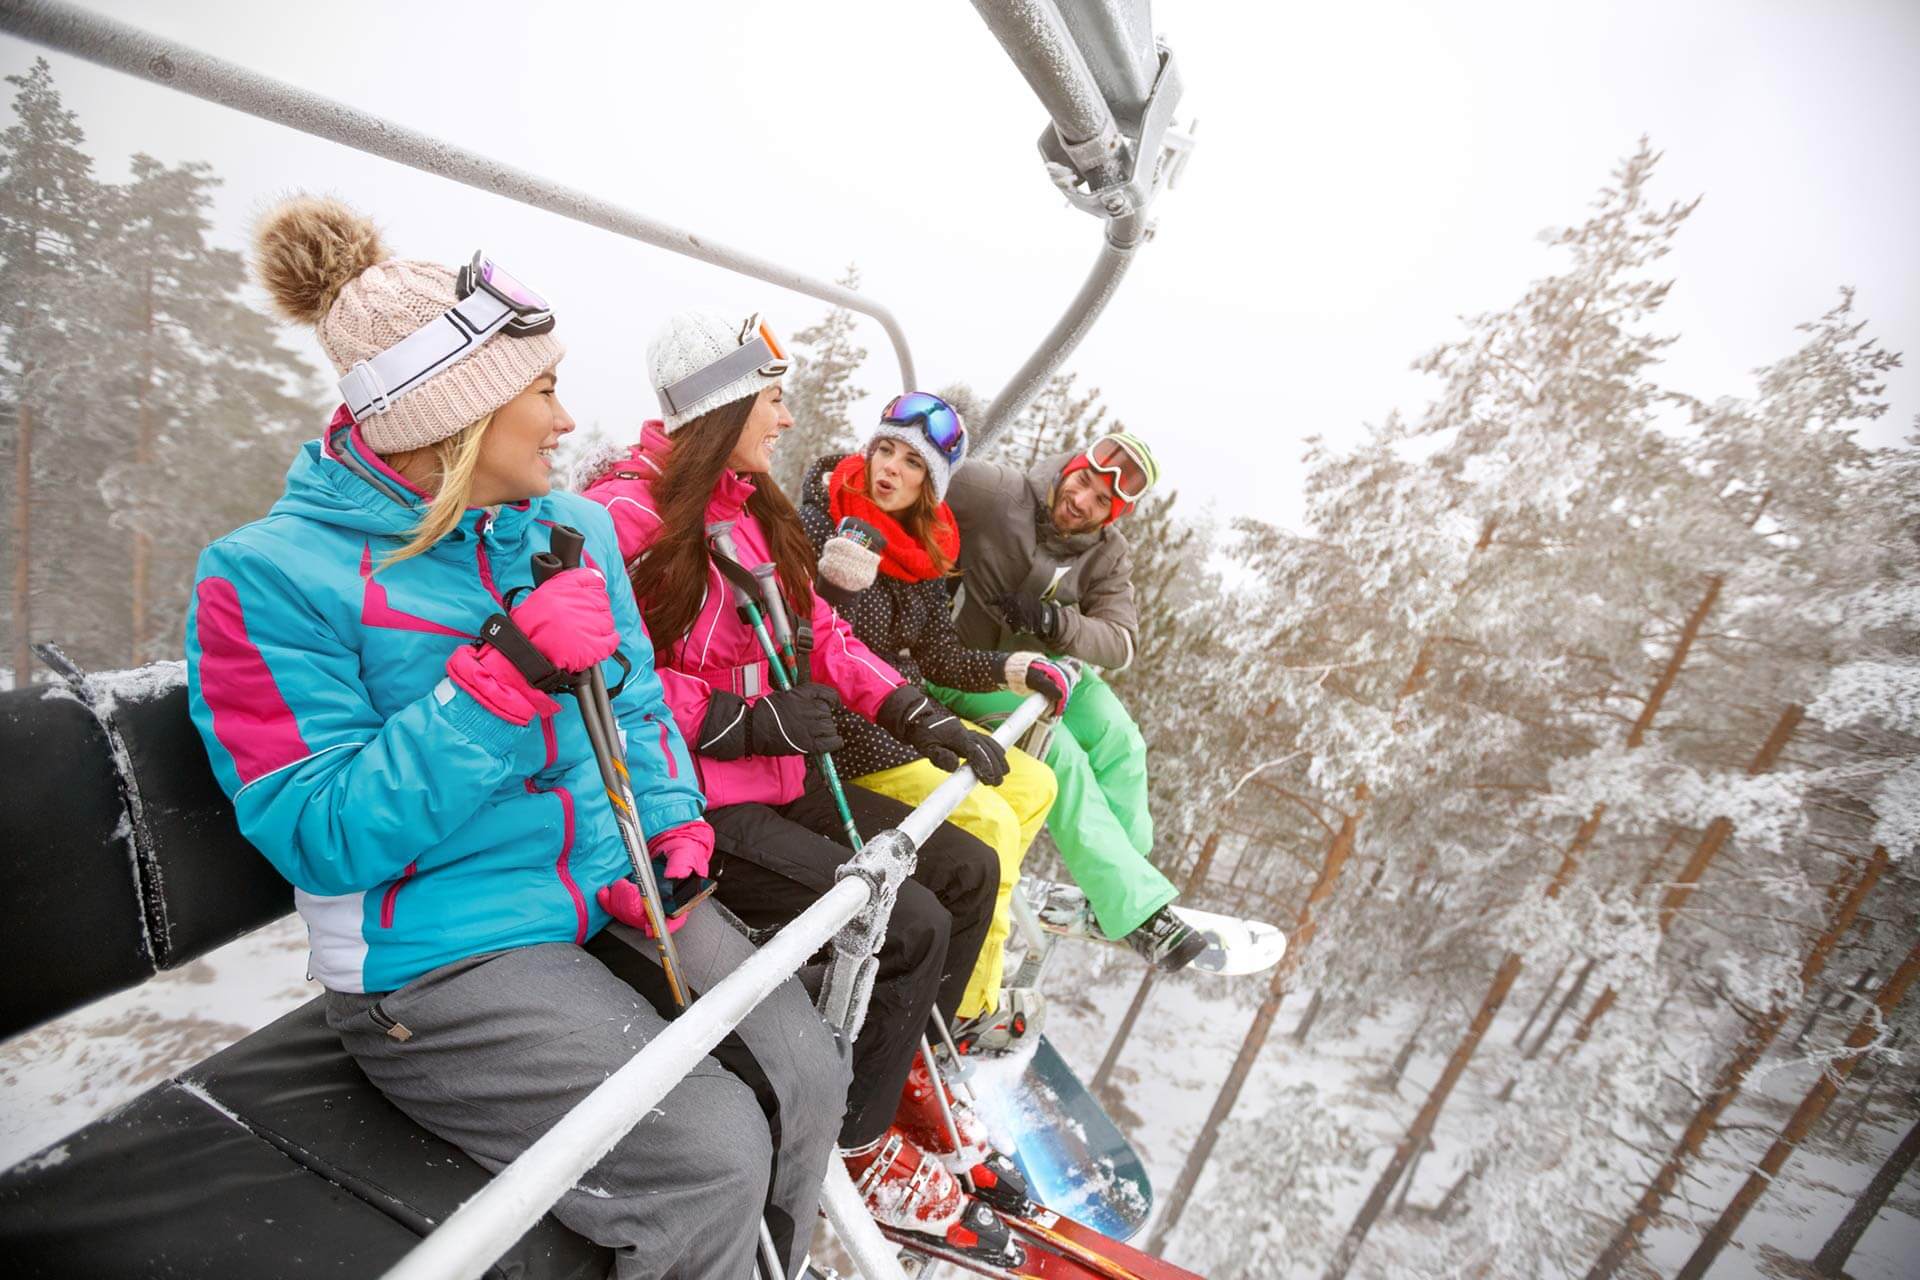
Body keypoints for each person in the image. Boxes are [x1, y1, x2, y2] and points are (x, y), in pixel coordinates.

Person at [185, 197, 846, 1280]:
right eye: (541, 391)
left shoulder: (565, 531)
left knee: (808, 1068)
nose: (564, 418)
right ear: (456, 414)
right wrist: (498, 684)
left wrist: (672, 823)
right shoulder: (266, 578)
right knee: (710, 1156)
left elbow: (635, 707)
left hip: (600, 884)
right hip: (438, 955)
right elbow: (319, 829)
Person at [578, 310, 1022, 1265]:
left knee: (964, 868)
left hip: (778, 775)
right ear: (724, 402)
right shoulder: (630, 519)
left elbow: (825, 628)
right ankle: (857, 1150)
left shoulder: (748, 505)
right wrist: (741, 719)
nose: (786, 420)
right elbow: (613, 673)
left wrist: (917, 713)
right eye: (771, 399)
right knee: (901, 925)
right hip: (703, 800)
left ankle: (897, 1081)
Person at [796, 392, 1072, 1050]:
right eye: (883, 450)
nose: (888, 469)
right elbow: (827, 650)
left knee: (1035, 787)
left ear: (931, 483)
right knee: (989, 819)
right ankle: (963, 1015)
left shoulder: (918, 552)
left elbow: (938, 655)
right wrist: (838, 586)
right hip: (854, 743)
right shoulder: (822, 525)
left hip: (905, 728)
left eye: (910, 462)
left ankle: (970, 933)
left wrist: (1016, 670)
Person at [933, 431, 1207, 972]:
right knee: (1059, 754)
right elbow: (922, 472)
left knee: (1119, 739)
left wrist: (1055, 621)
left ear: (1114, 515)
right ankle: (1139, 909)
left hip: (1043, 666)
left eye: (1101, 501)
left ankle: (1122, 883)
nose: (1081, 501)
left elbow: (1120, 643)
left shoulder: (1108, 554)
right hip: (967, 668)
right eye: (1083, 482)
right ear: (1069, 469)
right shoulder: (997, 492)